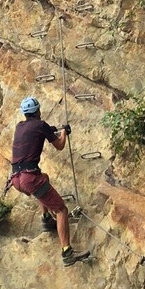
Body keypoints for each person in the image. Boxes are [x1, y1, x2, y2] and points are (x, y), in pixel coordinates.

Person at [9, 96, 90, 266]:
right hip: (30, 178)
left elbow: (36, 133)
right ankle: (67, 252)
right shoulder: (41, 125)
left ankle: (46, 219)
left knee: (44, 178)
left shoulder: (20, 126)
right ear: (38, 111)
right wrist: (63, 132)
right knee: (61, 210)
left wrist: (49, 130)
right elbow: (59, 145)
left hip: (16, 179)